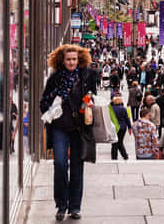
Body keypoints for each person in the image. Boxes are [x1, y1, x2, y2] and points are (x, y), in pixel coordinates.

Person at [39, 44, 93, 221]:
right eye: (68, 59)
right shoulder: (55, 78)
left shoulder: (85, 76)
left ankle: (75, 206)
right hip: (59, 127)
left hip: (79, 128)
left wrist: (89, 104)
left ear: (79, 60)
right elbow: (43, 102)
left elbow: (92, 97)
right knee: (60, 165)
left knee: (77, 167)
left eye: (74, 59)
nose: (71, 62)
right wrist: (53, 105)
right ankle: (61, 205)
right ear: (62, 60)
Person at [110, 93, 131, 161]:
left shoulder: (111, 109)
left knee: (114, 142)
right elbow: (127, 119)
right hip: (122, 127)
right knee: (120, 142)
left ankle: (114, 157)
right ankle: (125, 156)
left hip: (114, 127)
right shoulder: (123, 109)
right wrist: (129, 127)